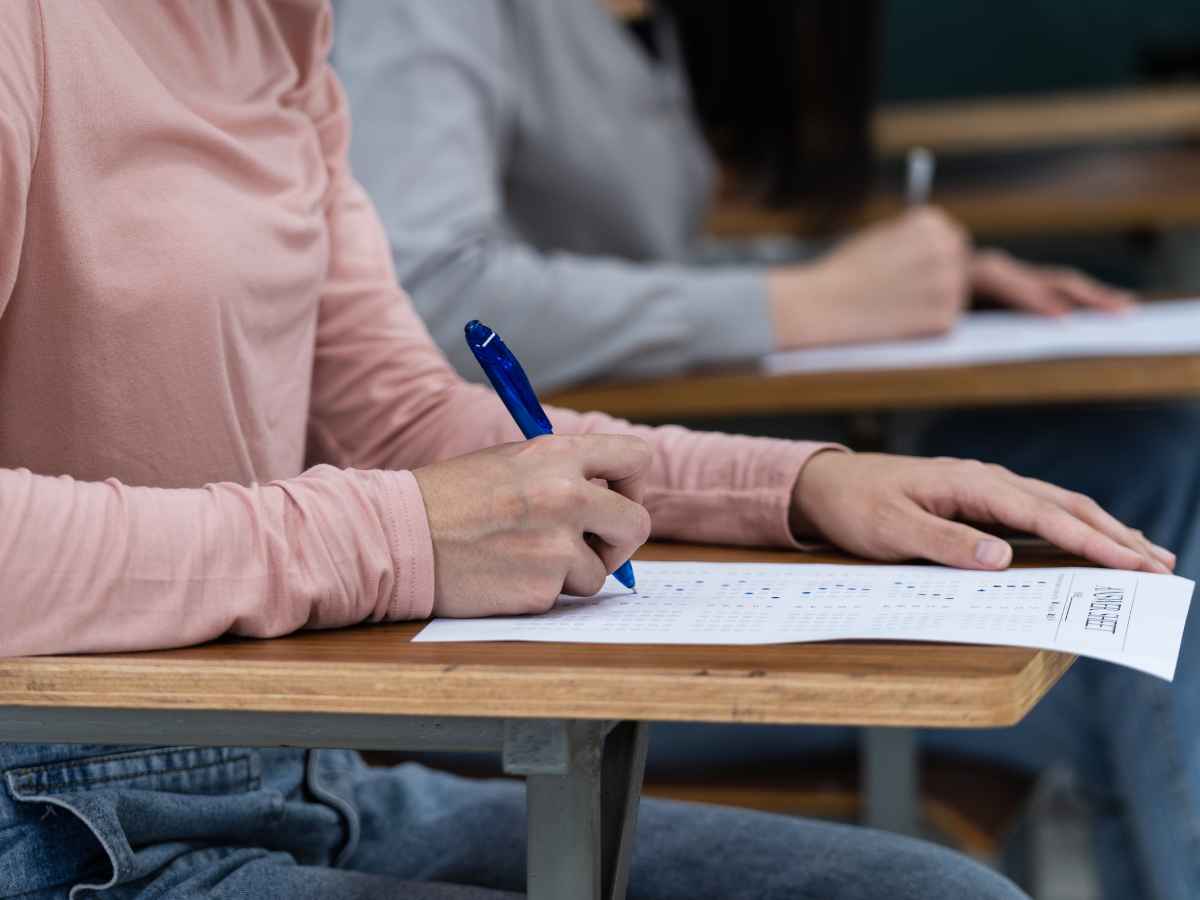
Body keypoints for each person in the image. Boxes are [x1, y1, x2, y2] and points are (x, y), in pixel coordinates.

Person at [2, 1, 1166, 897]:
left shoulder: (279, 31)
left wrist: (798, 484)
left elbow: (393, 415)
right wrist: (401, 535)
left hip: (290, 770)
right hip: (41, 812)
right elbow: (401, 498)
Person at [330, 2, 1200, 898]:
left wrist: (855, 289)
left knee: (1147, 488)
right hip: (510, 589)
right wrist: (802, 303)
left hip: (629, 512)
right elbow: (429, 294)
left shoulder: (649, 24)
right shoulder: (424, 15)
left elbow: (640, 259)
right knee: (1128, 655)